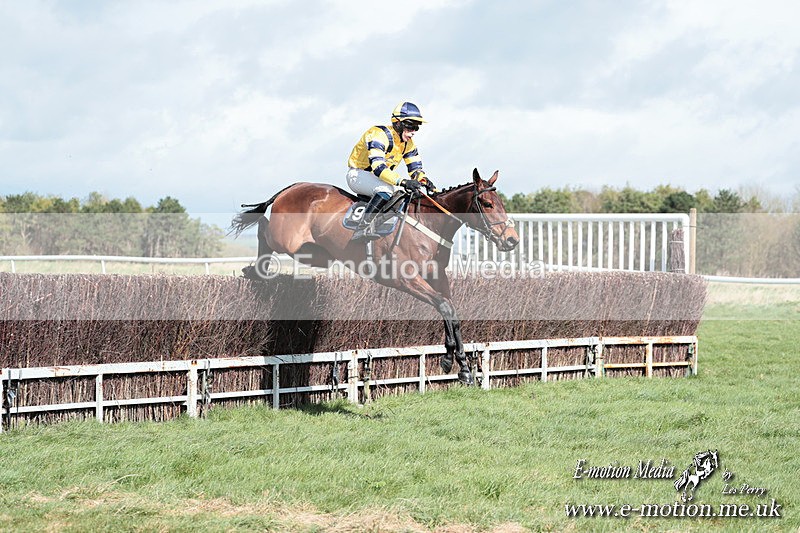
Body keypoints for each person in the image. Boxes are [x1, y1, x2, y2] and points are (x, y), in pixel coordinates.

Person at [346, 101, 437, 241]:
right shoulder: (377, 134)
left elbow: (415, 169)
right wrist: (403, 181)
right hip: (358, 175)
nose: (413, 132)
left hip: (376, 179)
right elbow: (378, 168)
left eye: (416, 128)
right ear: (398, 123)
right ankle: (362, 228)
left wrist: (424, 181)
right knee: (387, 189)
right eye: (410, 126)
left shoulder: (408, 144)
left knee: (403, 195)